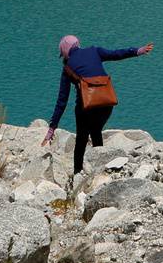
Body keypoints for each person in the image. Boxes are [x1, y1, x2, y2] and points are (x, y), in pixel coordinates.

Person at [43, 34, 154, 176]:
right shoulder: (94, 50)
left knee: (81, 139)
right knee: (96, 131)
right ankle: (101, 169)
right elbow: (116, 54)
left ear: (65, 51)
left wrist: (52, 127)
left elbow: (62, 101)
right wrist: (137, 51)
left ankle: (77, 173)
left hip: (86, 106)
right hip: (106, 102)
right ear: (77, 44)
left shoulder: (67, 68)